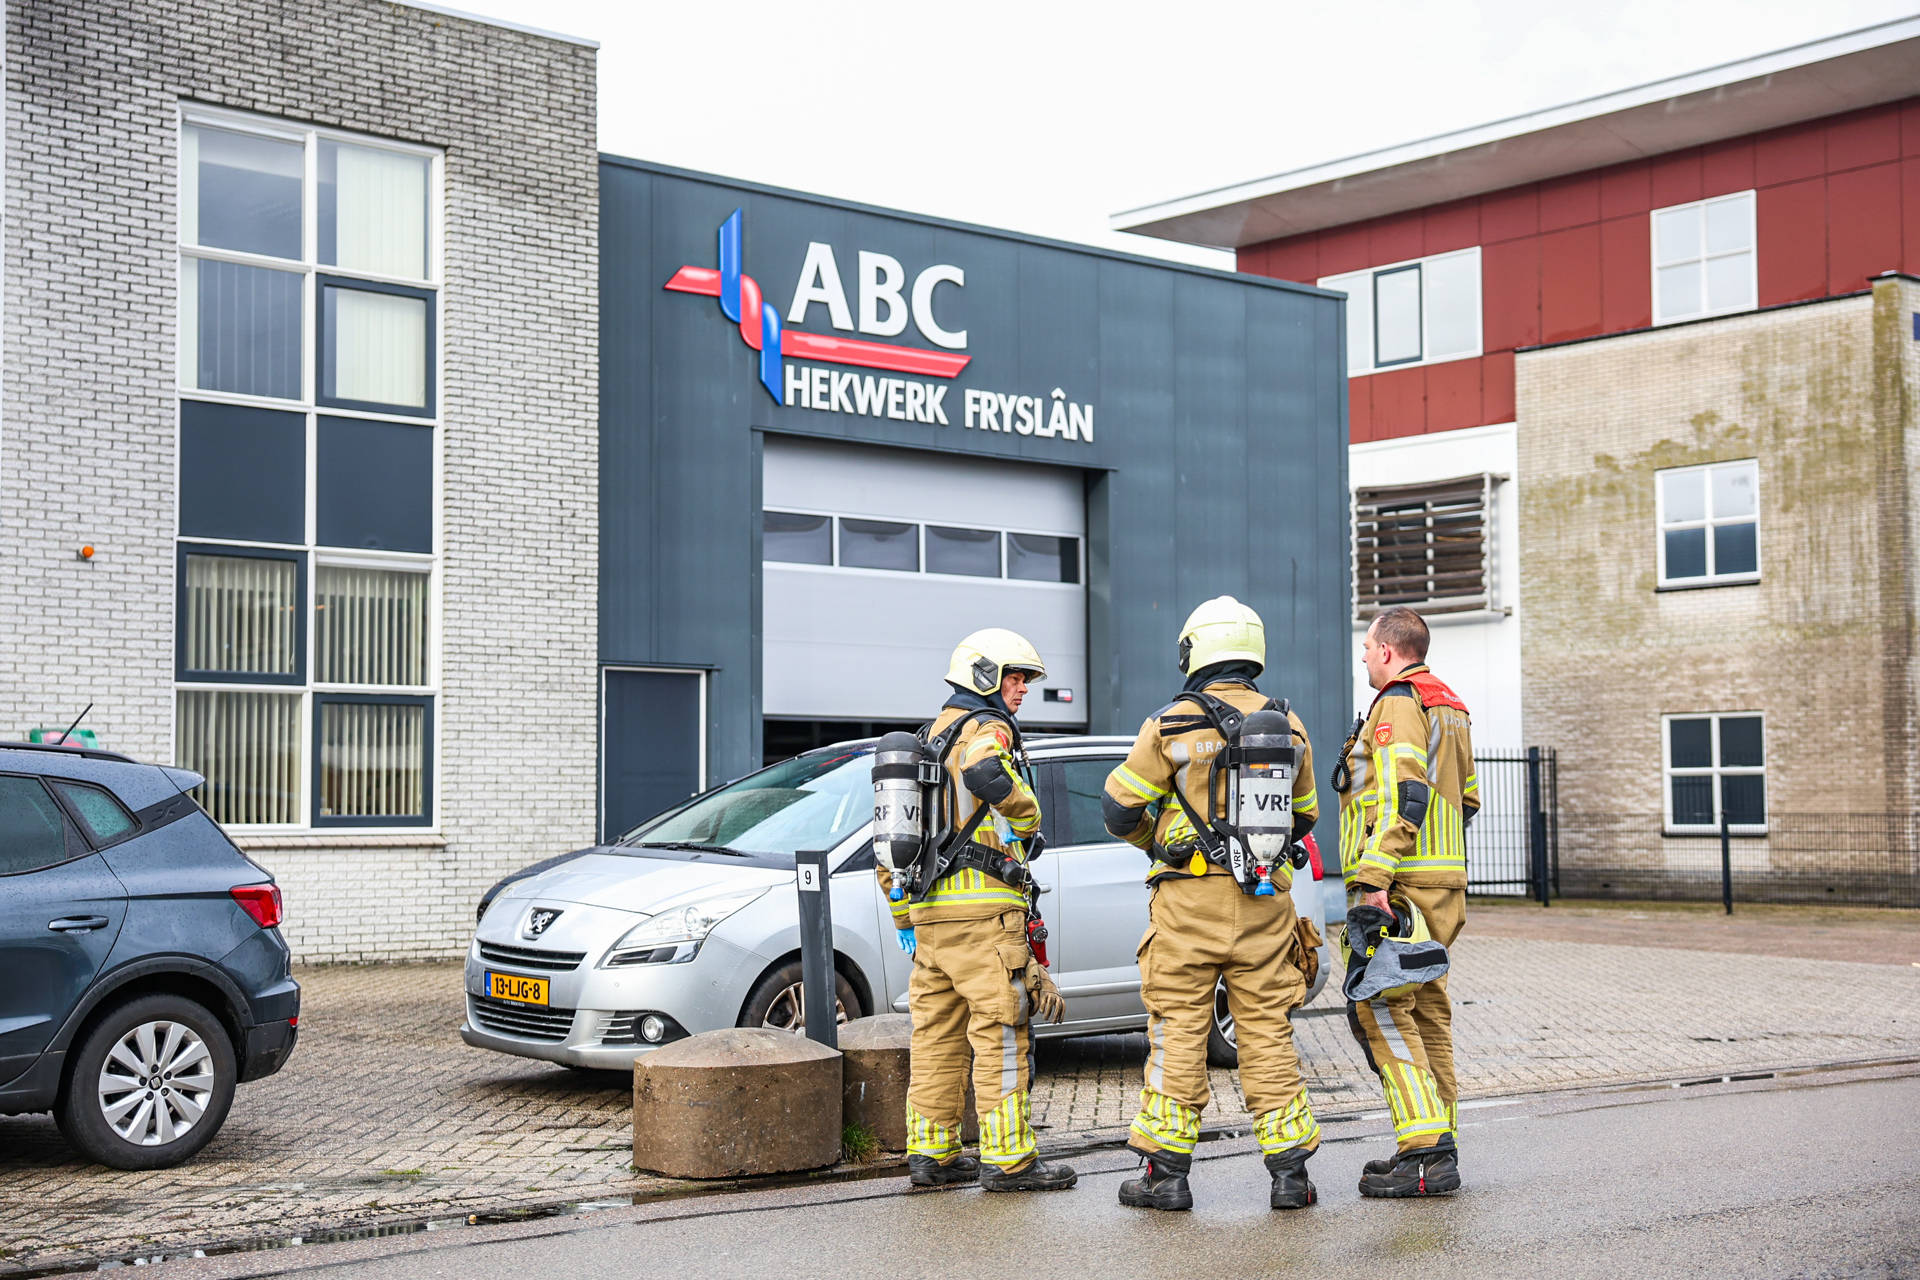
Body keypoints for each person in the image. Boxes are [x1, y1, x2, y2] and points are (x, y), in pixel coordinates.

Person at [1100, 596, 1323, 1212]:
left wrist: (1161, 840)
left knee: (1177, 1033)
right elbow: (1304, 815)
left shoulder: (1171, 725)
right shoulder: (1289, 724)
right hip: (1264, 910)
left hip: (1188, 907)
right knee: (1267, 1034)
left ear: (1195, 651)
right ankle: (1290, 1178)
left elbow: (1118, 808)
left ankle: (1164, 1176)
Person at [876, 628, 1076, 1192]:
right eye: (1014, 678)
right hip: (986, 919)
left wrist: (904, 919)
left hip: (931, 919)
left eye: (1026, 680)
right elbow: (987, 772)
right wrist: (1030, 814)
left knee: (936, 1037)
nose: (1022, 690)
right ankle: (1010, 1161)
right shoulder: (986, 729)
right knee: (1001, 1034)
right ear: (984, 677)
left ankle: (932, 1156)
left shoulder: (925, 741)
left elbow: (888, 845)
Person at [1333, 605, 1479, 1197]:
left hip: (1399, 885)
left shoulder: (1397, 700)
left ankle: (1424, 1151)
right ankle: (1435, 1143)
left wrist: (1375, 879)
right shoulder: (1452, 704)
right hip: (1441, 884)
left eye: (1367, 648)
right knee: (1427, 1012)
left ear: (1389, 650)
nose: (1364, 657)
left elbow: (1405, 792)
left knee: (1382, 1009)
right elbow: (1465, 800)